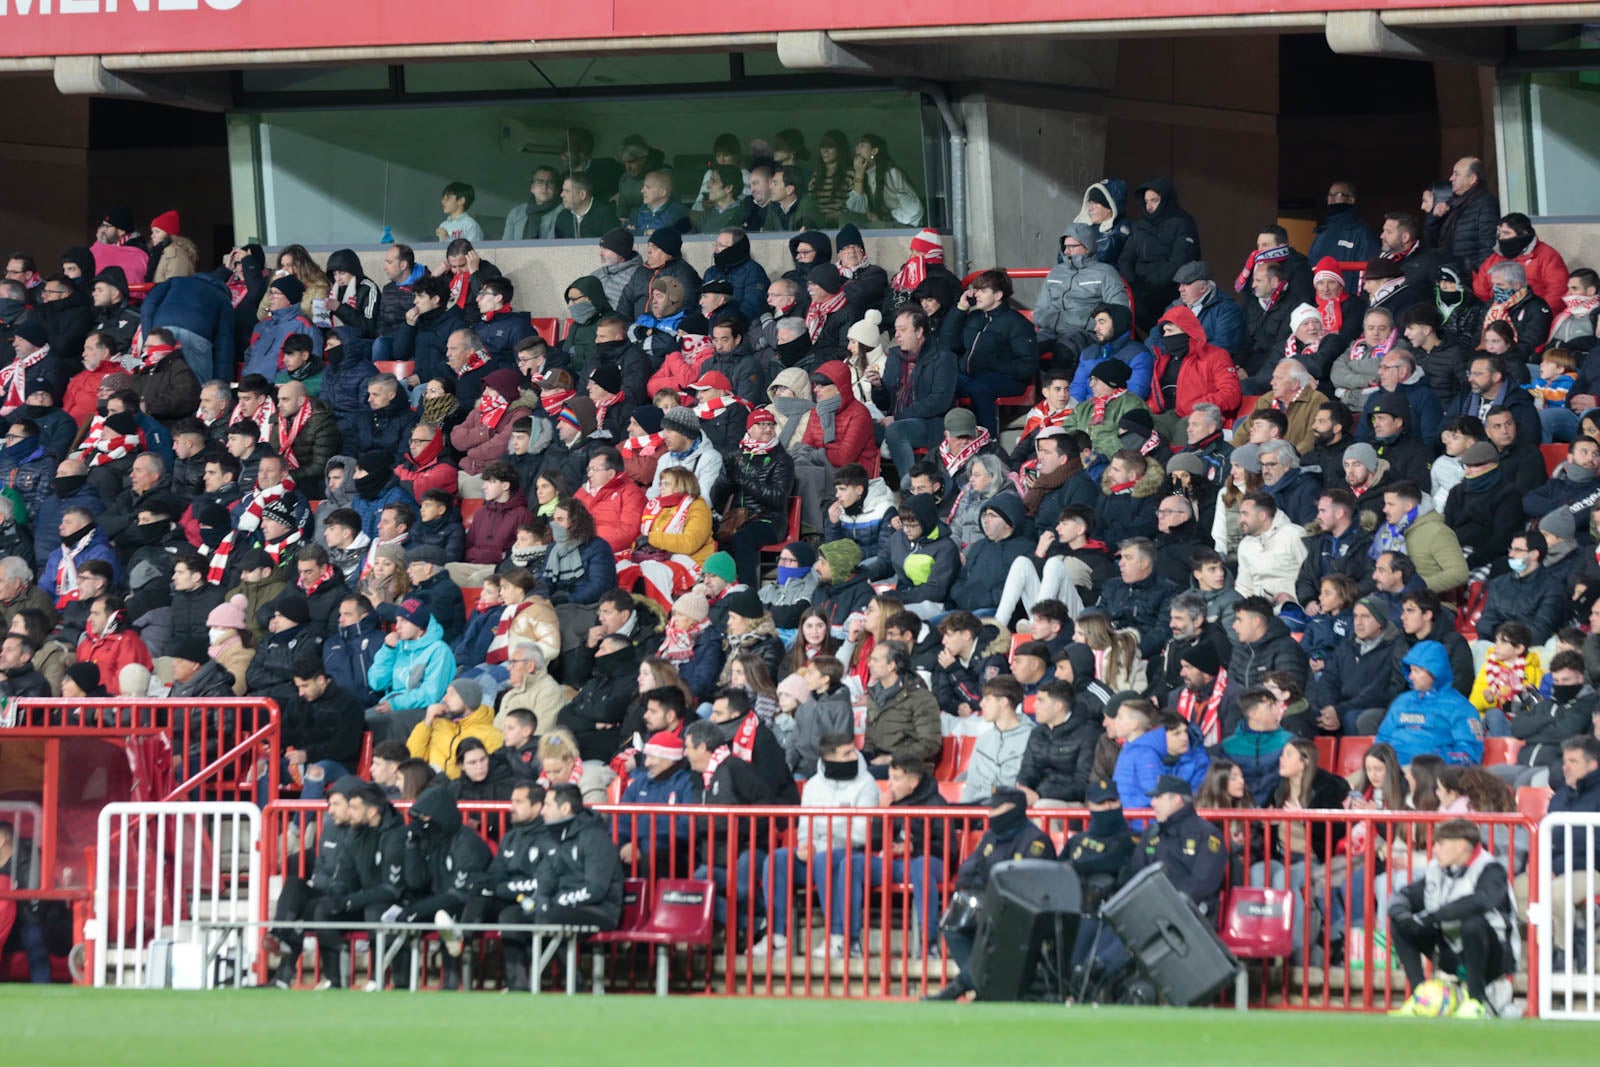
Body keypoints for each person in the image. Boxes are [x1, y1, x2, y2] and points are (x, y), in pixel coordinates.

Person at [752, 734, 877, 958]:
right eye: (847, 753)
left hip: (850, 855)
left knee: (823, 858)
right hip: (817, 853)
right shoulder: (813, 785)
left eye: (853, 751)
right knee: (777, 859)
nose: (854, 756)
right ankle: (777, 937)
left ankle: (837, 937)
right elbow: (805, 826)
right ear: (829, 758)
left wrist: (827, 825)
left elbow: (862, 834)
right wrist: (804, 845)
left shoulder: (867, 783)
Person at [926, 788, 1054, 1000]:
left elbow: (1026, 885)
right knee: (953, 926)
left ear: (1014, 809)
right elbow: (968, 871)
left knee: (993, 932)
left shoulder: (1036, 841)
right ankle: (982, 985)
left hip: (1021, 912)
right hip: (987, 902)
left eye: (997, 807)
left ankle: (962, 984)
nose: (990, 813)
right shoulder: (990, 837)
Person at [1388, 818, 1517, 1016]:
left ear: (1462, 845)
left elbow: (1477, 902)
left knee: (1472, 922)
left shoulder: (1491, 870)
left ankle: (1476, 1002)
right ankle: (1420, 997)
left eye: (1440, 843)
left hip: (1493, 955)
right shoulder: (1437, 869)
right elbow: (1407, 895)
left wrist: (1432, 918)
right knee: (1400, 924)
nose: (1435, 850)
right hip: (1451, 948)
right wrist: (1401, 912)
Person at [1375, 640, 1484, 766]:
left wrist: (1431, 761)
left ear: (1434, 671)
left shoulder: (1460, 707)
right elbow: (1381, 741)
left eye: (1416, 671)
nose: (1411, 677)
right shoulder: (1402, 701)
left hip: (1429, 776)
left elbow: (1469, 753)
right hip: (1389, 772)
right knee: (1351, 782)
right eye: (1410, 671)